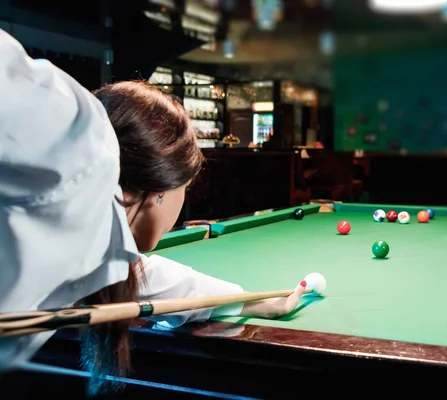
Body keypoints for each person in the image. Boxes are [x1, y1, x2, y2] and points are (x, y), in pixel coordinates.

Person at [0, 28, 305, 389]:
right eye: (186, 188)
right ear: (161, 190)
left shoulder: (101, 237)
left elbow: (147, 278)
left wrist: (244, 301)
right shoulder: (85, 138)